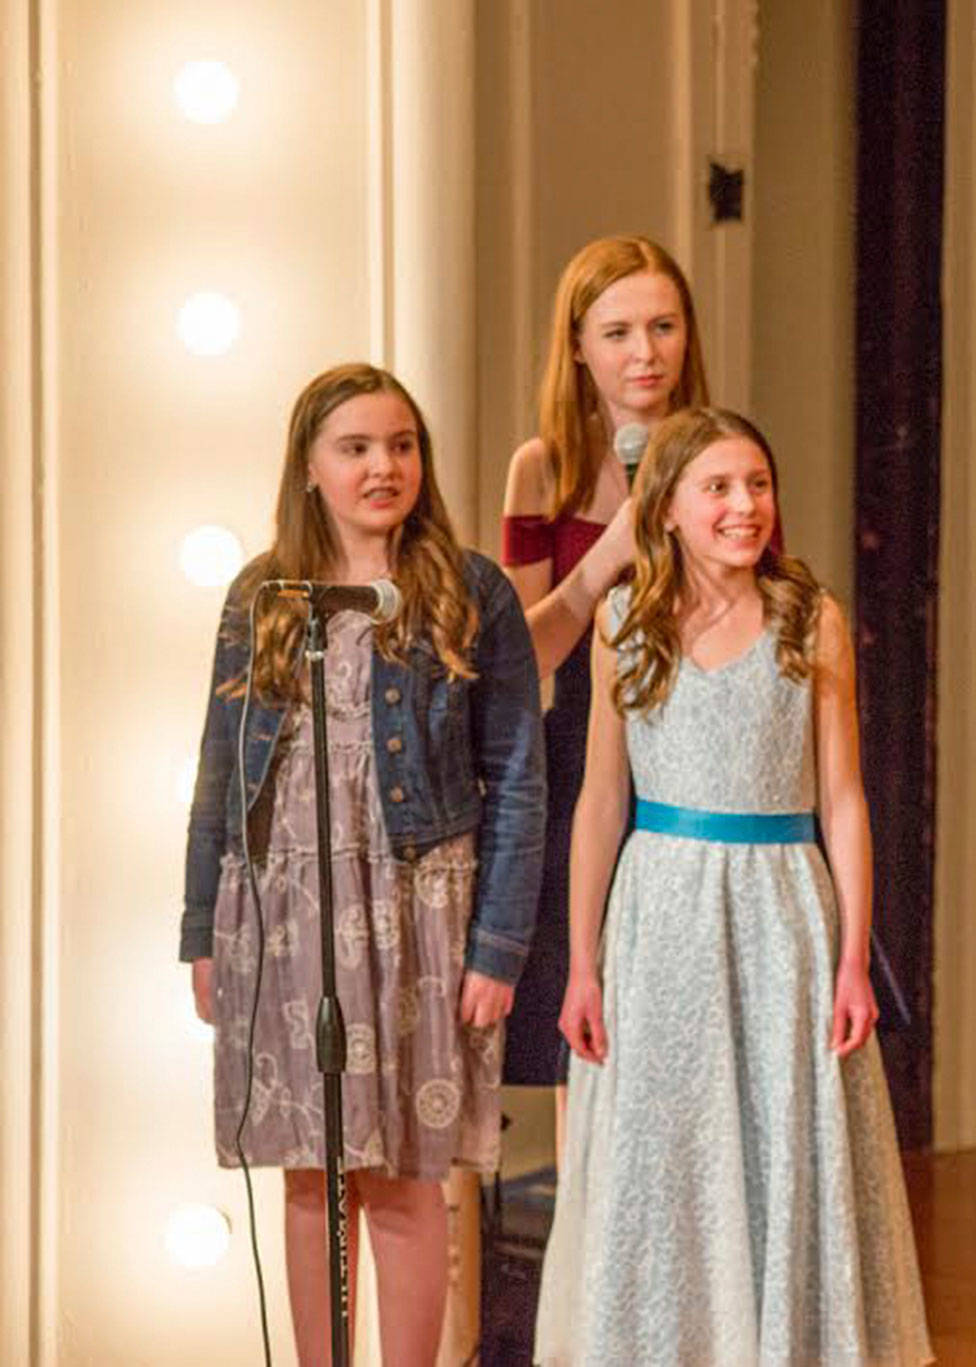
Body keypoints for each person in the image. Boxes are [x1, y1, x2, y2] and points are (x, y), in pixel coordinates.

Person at [533, 408, 931, 1366]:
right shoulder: (625, 623)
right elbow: (600, 801)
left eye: (757, 484)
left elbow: (842, 798)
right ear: (666, 507)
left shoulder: (808, 618)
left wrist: (851, 959)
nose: (744, 505)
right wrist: (582, 964)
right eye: (717, 487)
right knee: (669, 1152)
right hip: (661, 917)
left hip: (779, 913)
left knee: (776, 1140)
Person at [181, 363, 545, 1365]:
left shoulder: (469, 591)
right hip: (286, 915)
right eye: (356, 448)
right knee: (312, 1171)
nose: (384, 466)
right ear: (310, 466)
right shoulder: (262, 596)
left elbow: (518, 775)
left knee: (404, 1173)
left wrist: (499, 944)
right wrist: (201, 929)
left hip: (420, 910)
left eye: (401, 445)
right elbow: (219, 773)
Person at [499, 234, 709, 1094]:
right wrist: (604, 561)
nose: (644, 353)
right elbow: (521, 659)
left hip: (696, 761)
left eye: (663, 326)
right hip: (584, 755)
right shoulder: (542, 468)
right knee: (582, 1032)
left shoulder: (722, 459)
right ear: (579, 347)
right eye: (618, 332)